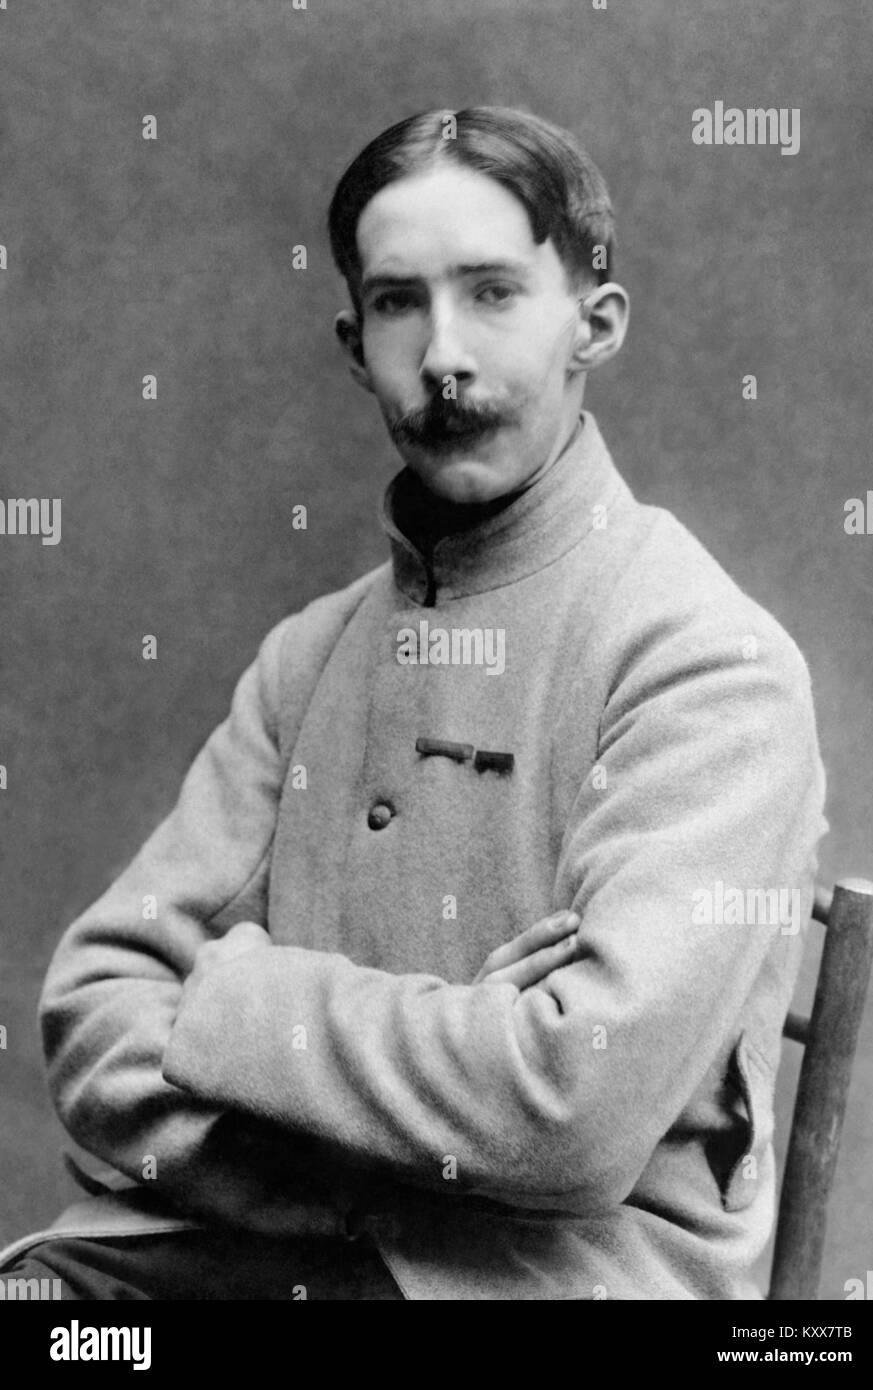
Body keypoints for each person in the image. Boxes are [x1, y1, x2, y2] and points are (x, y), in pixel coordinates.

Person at [2, 106, 827, 1300]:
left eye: (491, 294)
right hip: (273, 1257)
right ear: (353, 341)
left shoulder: (705, 660)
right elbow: (90, 1019)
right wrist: (432, 1082)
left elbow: (571, 1114)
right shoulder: (312, 653)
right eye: (399, 303)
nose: (443, 354)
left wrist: (236, 1000)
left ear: (591, 326)